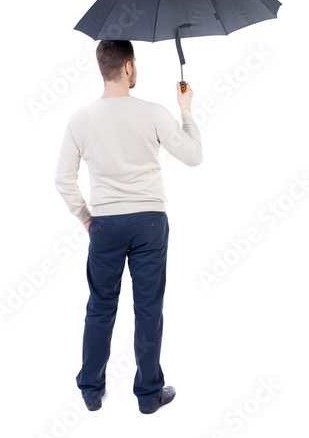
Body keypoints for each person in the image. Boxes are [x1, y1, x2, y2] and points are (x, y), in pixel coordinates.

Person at [54, 40, 203, 414]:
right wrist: (185, 111)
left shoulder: (81, 118)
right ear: (129, 68)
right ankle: (149, 396)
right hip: (150, 222)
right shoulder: (153, 112)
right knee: (148, 308)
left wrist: (86, 217)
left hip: (104, 224)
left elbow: (63, 180)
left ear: (103, 67)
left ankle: (91, 390)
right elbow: (193, 156)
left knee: (100, 307)